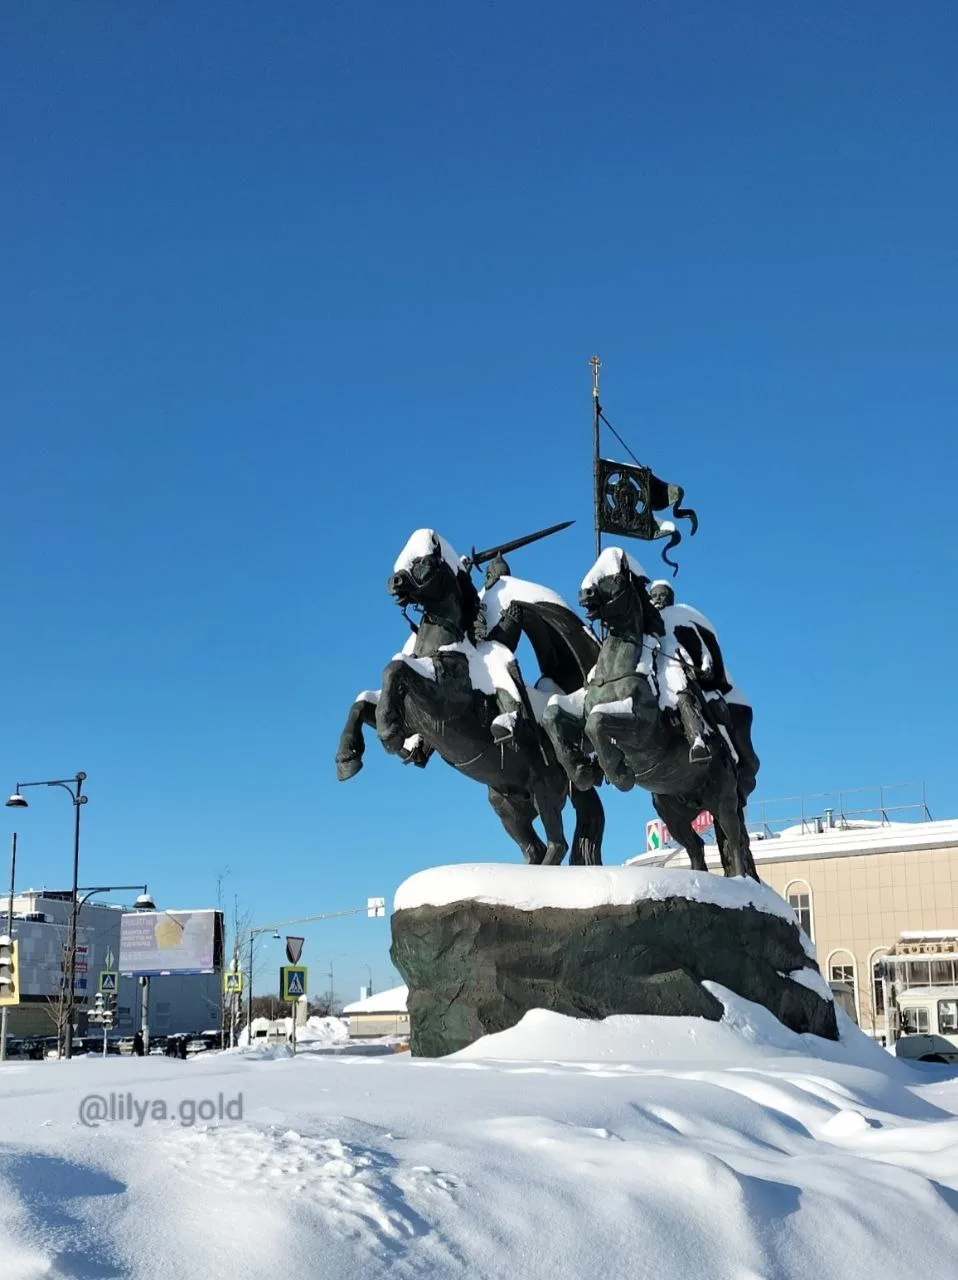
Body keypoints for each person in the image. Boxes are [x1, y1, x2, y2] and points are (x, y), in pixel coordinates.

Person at [648, 580, 760, 793]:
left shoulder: (681, 616)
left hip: (679, 670)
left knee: (685, 695)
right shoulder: (648, 620)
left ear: (671, 597)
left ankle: (698, 740)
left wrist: (705, 664)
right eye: (655, 595)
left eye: (663, 595)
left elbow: (700, 644)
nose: (659, 599)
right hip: (653, 674)